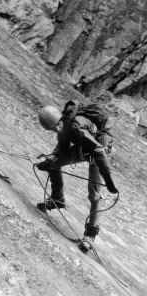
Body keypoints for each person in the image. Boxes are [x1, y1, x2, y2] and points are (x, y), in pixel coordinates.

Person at [36, 101, 118, 251]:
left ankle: (90, 236)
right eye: (53, 129)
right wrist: (48, 162)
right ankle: (57, 199)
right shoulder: (63, 126)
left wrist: (108, 179)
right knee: (52, 163)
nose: (57, 129)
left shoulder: (76, 126)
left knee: (94, 195)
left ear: (60, 118)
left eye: (57, 125)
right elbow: (60, 149)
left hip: (100, 151)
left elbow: (99, 151)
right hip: (84, 148)